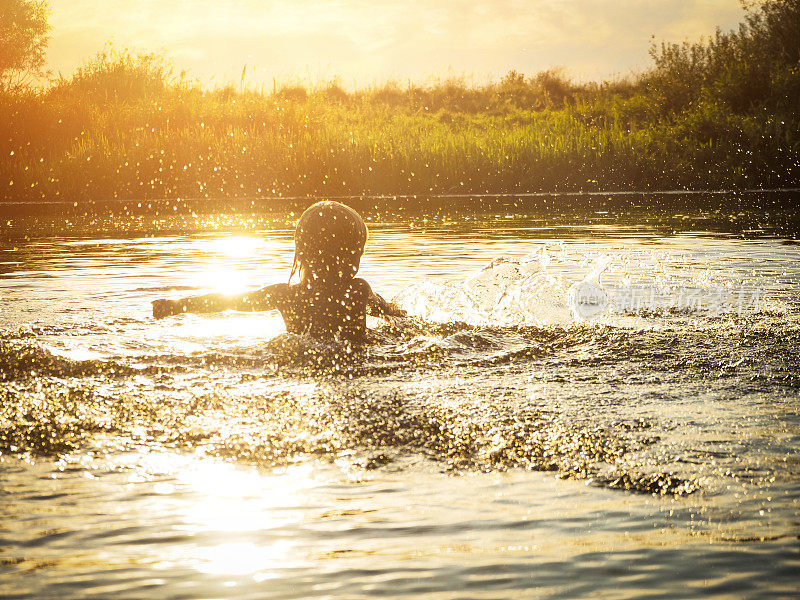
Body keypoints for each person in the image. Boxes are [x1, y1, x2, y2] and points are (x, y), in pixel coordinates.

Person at [151, 201, 405, 344]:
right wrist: (401, 315)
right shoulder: (357, 290)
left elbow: (228, 301)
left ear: (301, 253)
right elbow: (388, 311)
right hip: (354, 363)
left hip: (300, 360)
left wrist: (178, 305)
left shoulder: (285, 295)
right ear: (353, 257)